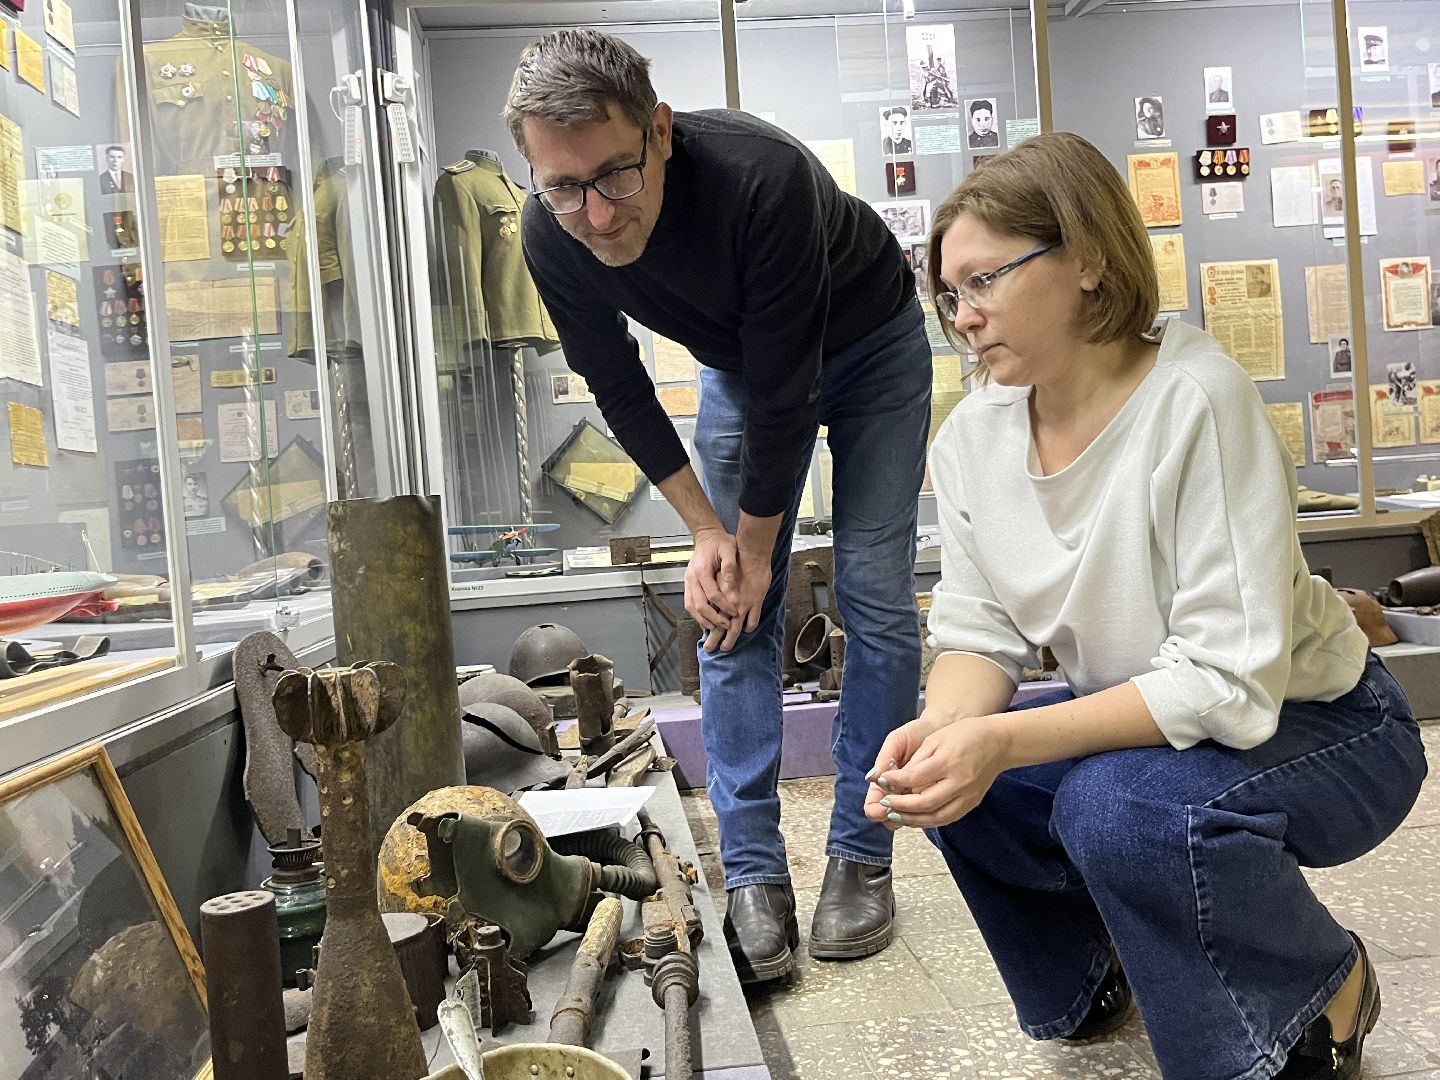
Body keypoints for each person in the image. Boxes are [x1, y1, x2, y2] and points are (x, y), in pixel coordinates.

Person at [867, 132, 1425, 1080]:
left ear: (1085, 258)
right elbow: (976, 631)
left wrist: (1003, 740)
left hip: (1327, 725)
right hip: (1164, 725)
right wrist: (950, 737)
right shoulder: (974, 441)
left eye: (986, 281)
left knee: (1113, 805)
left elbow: (1223, 683)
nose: (965, 316)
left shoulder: (1195, 399)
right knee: (961, 774)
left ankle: (1317, 988)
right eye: (951, 294)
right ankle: (1098, 974)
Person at [507, 29, 931, 982]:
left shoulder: (760, 178)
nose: (593, 215)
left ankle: (863, 855)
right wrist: (708, 537)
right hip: (742, 369)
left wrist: (748, 548)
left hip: (871, 347)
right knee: (726, 614)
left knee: (873, 592)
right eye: (560, 186)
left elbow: (791, 396)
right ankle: (753, 876)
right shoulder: (551, 228)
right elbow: (617, 385)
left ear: (657, 130)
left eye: (612, 177)